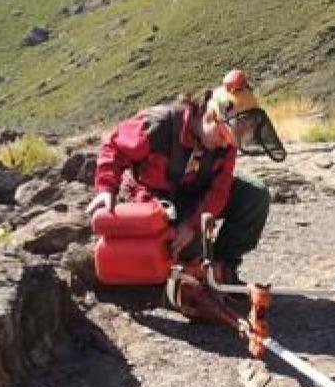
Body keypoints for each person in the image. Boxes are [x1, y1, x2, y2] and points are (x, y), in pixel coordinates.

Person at [86, 69, 286, 282]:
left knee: (255, 195)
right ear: (209, 116)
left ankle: (221, 268)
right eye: (221, 136)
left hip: (190, 196)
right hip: (150, 199)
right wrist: (106, 188)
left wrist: (191, 226)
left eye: (230, 141)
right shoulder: (160, 124)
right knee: (185, 248)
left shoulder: (226, 142)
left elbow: (220, 189)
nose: (224, 144)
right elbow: (114, 148)